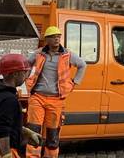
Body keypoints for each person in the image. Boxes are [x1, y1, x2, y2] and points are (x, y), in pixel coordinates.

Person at [25, 26, 87, 158]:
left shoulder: (67, 54)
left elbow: (82, 65)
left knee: (52, 134)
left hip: (56, 100)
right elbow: (26, 64)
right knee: (33, 131)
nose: (57, 39)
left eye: (58, 36)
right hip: (37, 98)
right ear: (47, 39)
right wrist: (27, 79)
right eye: (53, 37)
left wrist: (74, 82)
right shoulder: (39, 53)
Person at [0, 54, 42, 158]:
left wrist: (26, 132)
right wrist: (6, 154)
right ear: (15, 74)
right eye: (24, 73)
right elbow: (2, 130)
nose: (26, 77)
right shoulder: (9, 99)